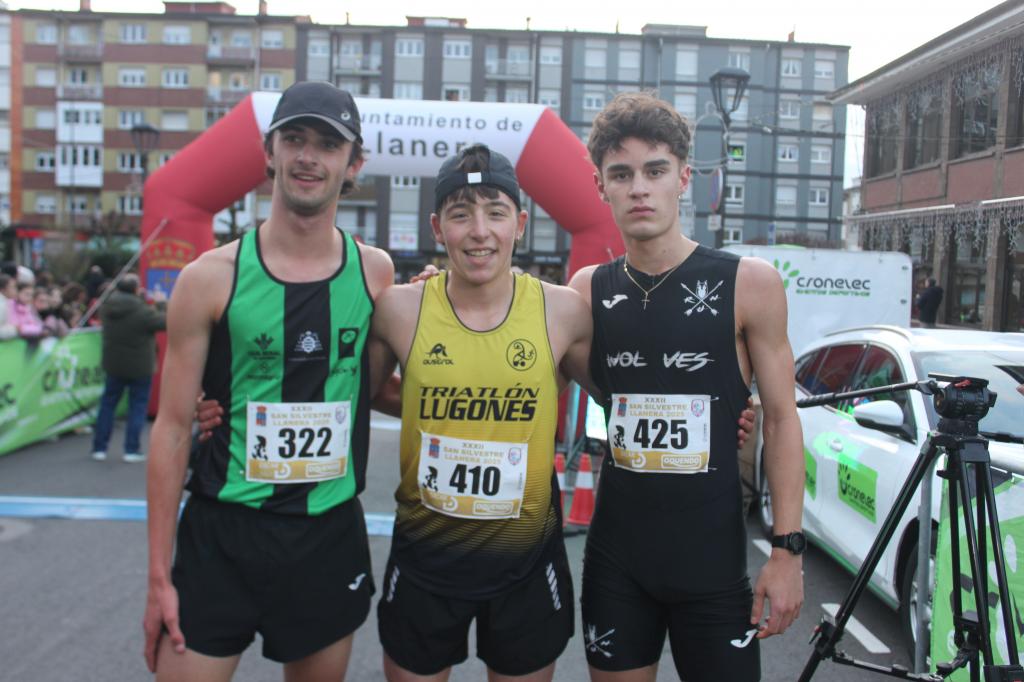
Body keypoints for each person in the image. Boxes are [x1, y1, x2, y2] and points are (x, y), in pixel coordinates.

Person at [143, 81, 394, 681]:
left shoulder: (376, 275)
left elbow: (379, 388)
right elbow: (172, 427)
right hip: (221, 533)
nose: (308, 157)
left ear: (353, 163)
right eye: (295, 139)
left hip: (326, 535)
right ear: (269, 151)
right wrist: (157, 579)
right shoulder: (208, 278)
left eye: (328, 145)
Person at [567, 92, 804, 681]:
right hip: (617, 564)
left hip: (713, 567)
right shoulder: (585, 290)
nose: (639, 189)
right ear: (600, 187)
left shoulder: (749, 283)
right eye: (621, 175)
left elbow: (781, 418)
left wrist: (787, 551)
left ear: (683, 178)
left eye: (655, 171)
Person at [368, 143, 594, 681]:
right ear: (436, 227)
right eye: (460, 214)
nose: (479, 232)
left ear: (520, 224)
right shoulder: (398, 308)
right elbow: (357, 392)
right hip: (425, 559)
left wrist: (725, 408)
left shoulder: (563, 310)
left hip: (526, 564)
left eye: (495, 213)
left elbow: (623, 394)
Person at [90, 274, 166, 462]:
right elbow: (164, 322)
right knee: (137, 407)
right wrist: (161, 304)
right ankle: (131, 449)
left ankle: (99, 448)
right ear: (136, 289)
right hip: (140, 366)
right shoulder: (142, 311)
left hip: (113, 364)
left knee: (107, 405)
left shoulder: (107, 307)